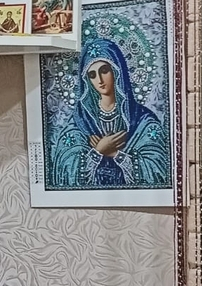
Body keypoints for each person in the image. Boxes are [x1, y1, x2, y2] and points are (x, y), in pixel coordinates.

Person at [50, 37, 169, 188]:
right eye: (92, 75)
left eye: (104, 71)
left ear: (117, 70)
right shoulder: (81, 121)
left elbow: (157, 169)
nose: (99, 80)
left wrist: (115, 154)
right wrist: (98, 151)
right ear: (86, 80)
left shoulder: (143, 120)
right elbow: (66, 170)